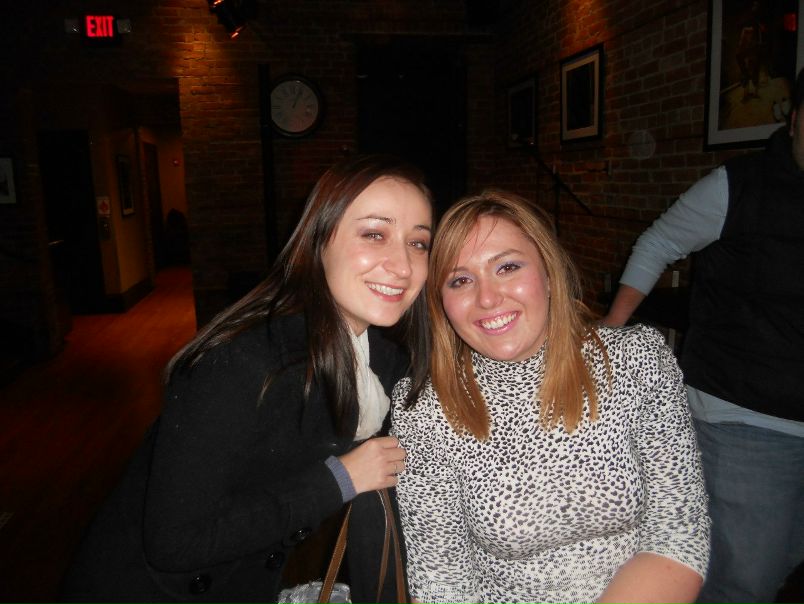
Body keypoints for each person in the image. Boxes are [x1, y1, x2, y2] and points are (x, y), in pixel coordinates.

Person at [60, 154, 433, 603]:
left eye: (418, 243)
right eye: (375, 234)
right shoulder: (243, 362)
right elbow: (175, 542)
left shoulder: (378, 357)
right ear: (317, 241)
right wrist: (339, 479)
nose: (403, 265)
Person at [391, 190, 710, 604]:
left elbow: (678, 531)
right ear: (441, 302)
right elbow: (442, 584)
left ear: (548, 272)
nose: (487, 298)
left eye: (507, 267)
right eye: (461, 280)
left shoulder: (635, 361)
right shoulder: (426, 411)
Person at [602, 67, 804, 604]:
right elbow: (657, 243)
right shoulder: (740, 185)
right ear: (794, 118)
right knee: (743, 579)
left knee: (783, 558)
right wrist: (612, 328)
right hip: (744, 411)